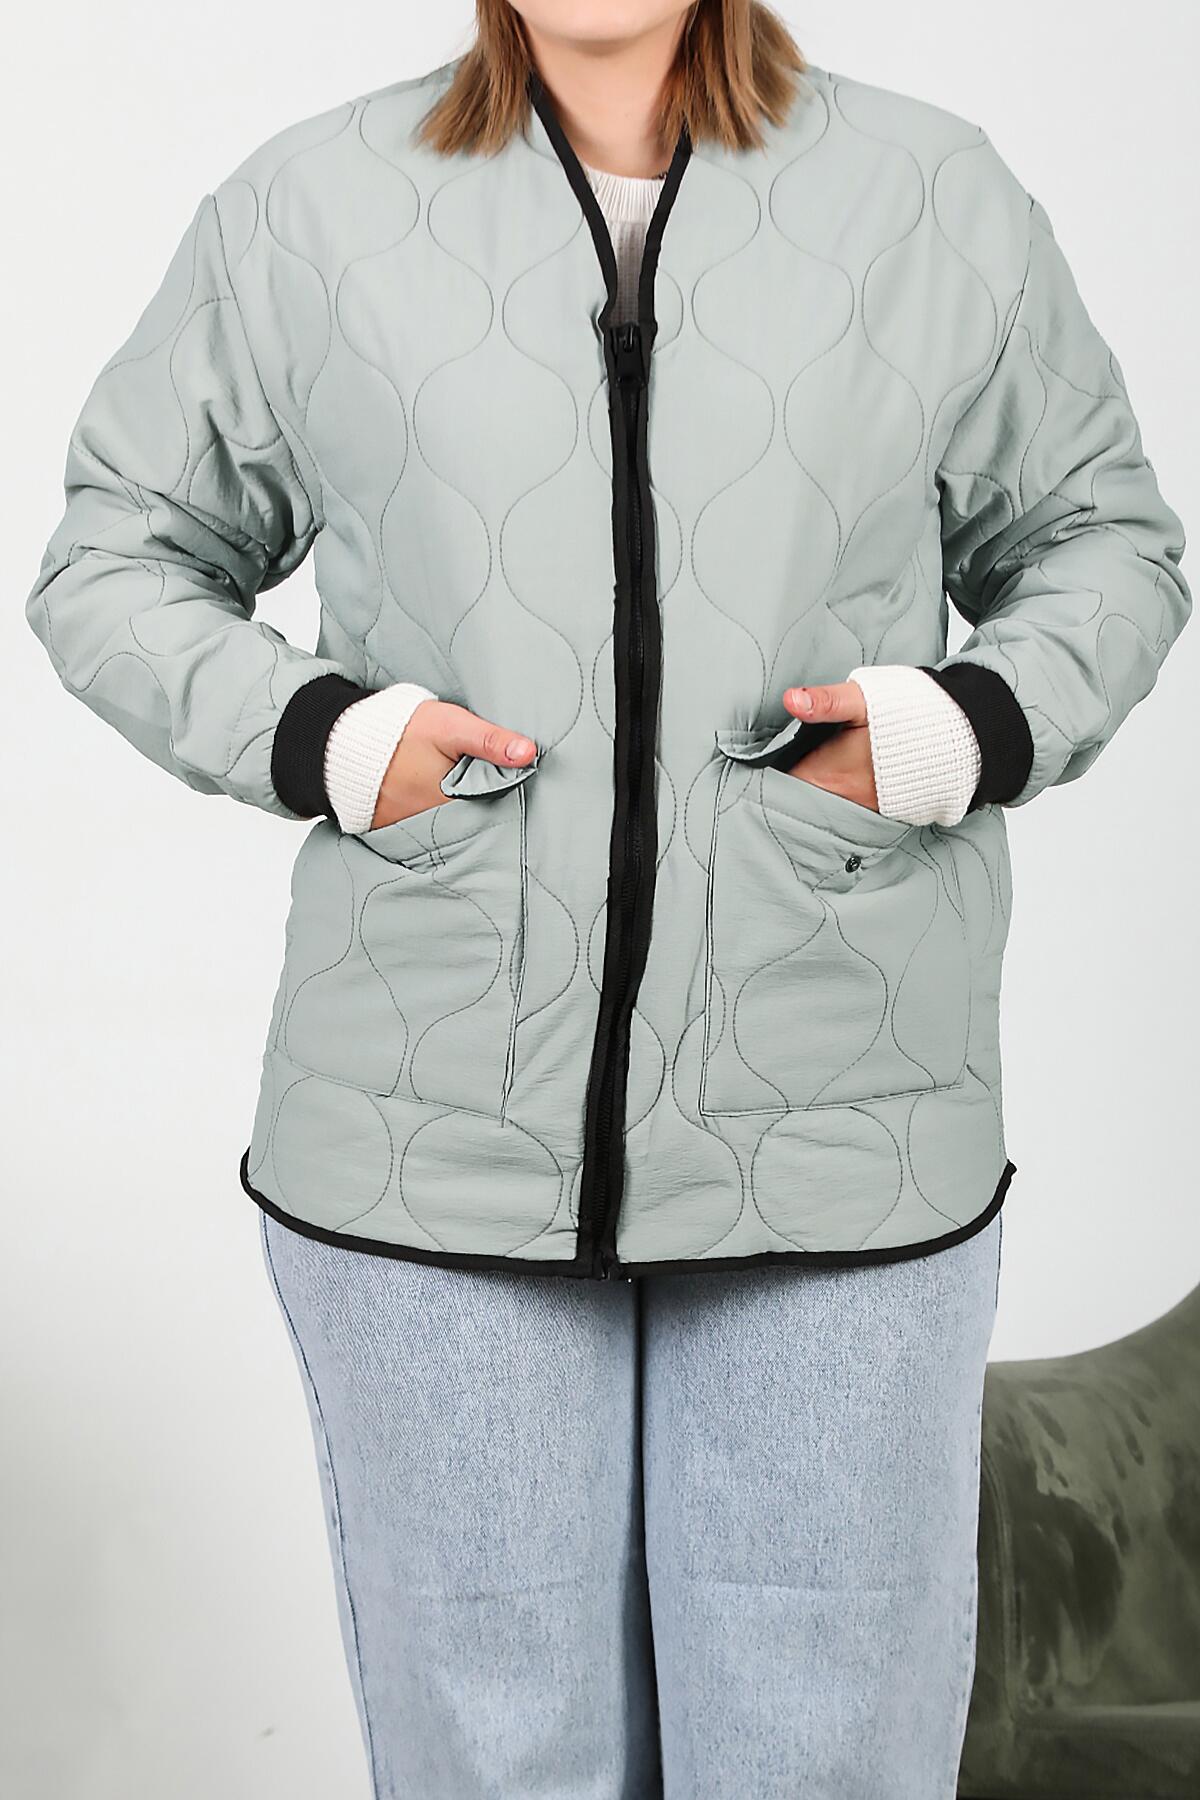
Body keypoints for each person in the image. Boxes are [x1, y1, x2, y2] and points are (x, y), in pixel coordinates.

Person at [26, 3, 1190, 1795]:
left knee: (815, 1761)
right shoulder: (310, 208)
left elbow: (1103, 539)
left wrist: (962, 728)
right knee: (500, 1765)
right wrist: (331, 740)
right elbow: (116, 554)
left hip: (842, 1117)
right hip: (430, 1136)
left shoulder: (930, 196)